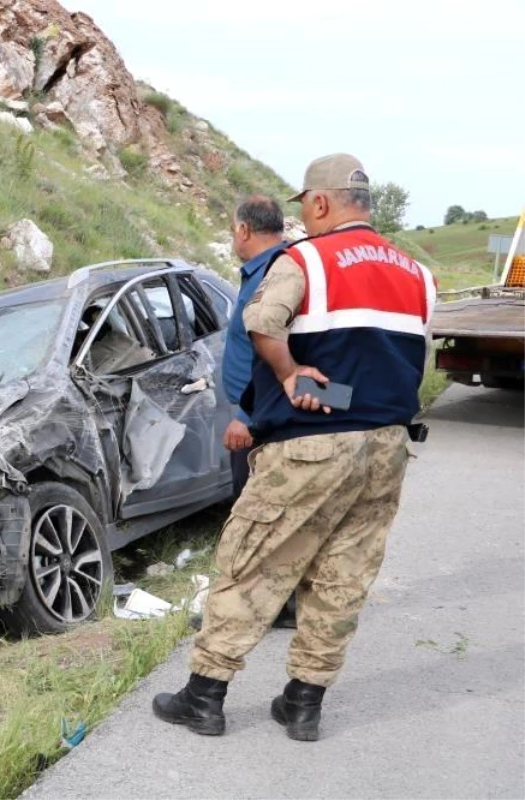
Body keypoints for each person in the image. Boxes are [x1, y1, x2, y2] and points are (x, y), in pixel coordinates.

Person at [152, 154, 436, 741]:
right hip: (386, 447)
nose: (302, 214)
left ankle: (204, 695)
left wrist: (288, 375)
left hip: (312, 444)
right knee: (344, 575)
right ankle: (304, 703)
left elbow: (262, 322)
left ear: (323, 202)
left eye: (304, 202)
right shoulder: (417, 272)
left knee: (250, 560)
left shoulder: (305, 258)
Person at [222, 195, 297, 630]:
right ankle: (279, 605)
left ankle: (259, 609)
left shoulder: (273, 272)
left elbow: (266, 346)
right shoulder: (268, 269)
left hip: (261, 414)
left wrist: (246, 415)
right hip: (261, 409)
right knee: (267, 512)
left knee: (255, 514)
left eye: (234, 229)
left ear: (244, 231)